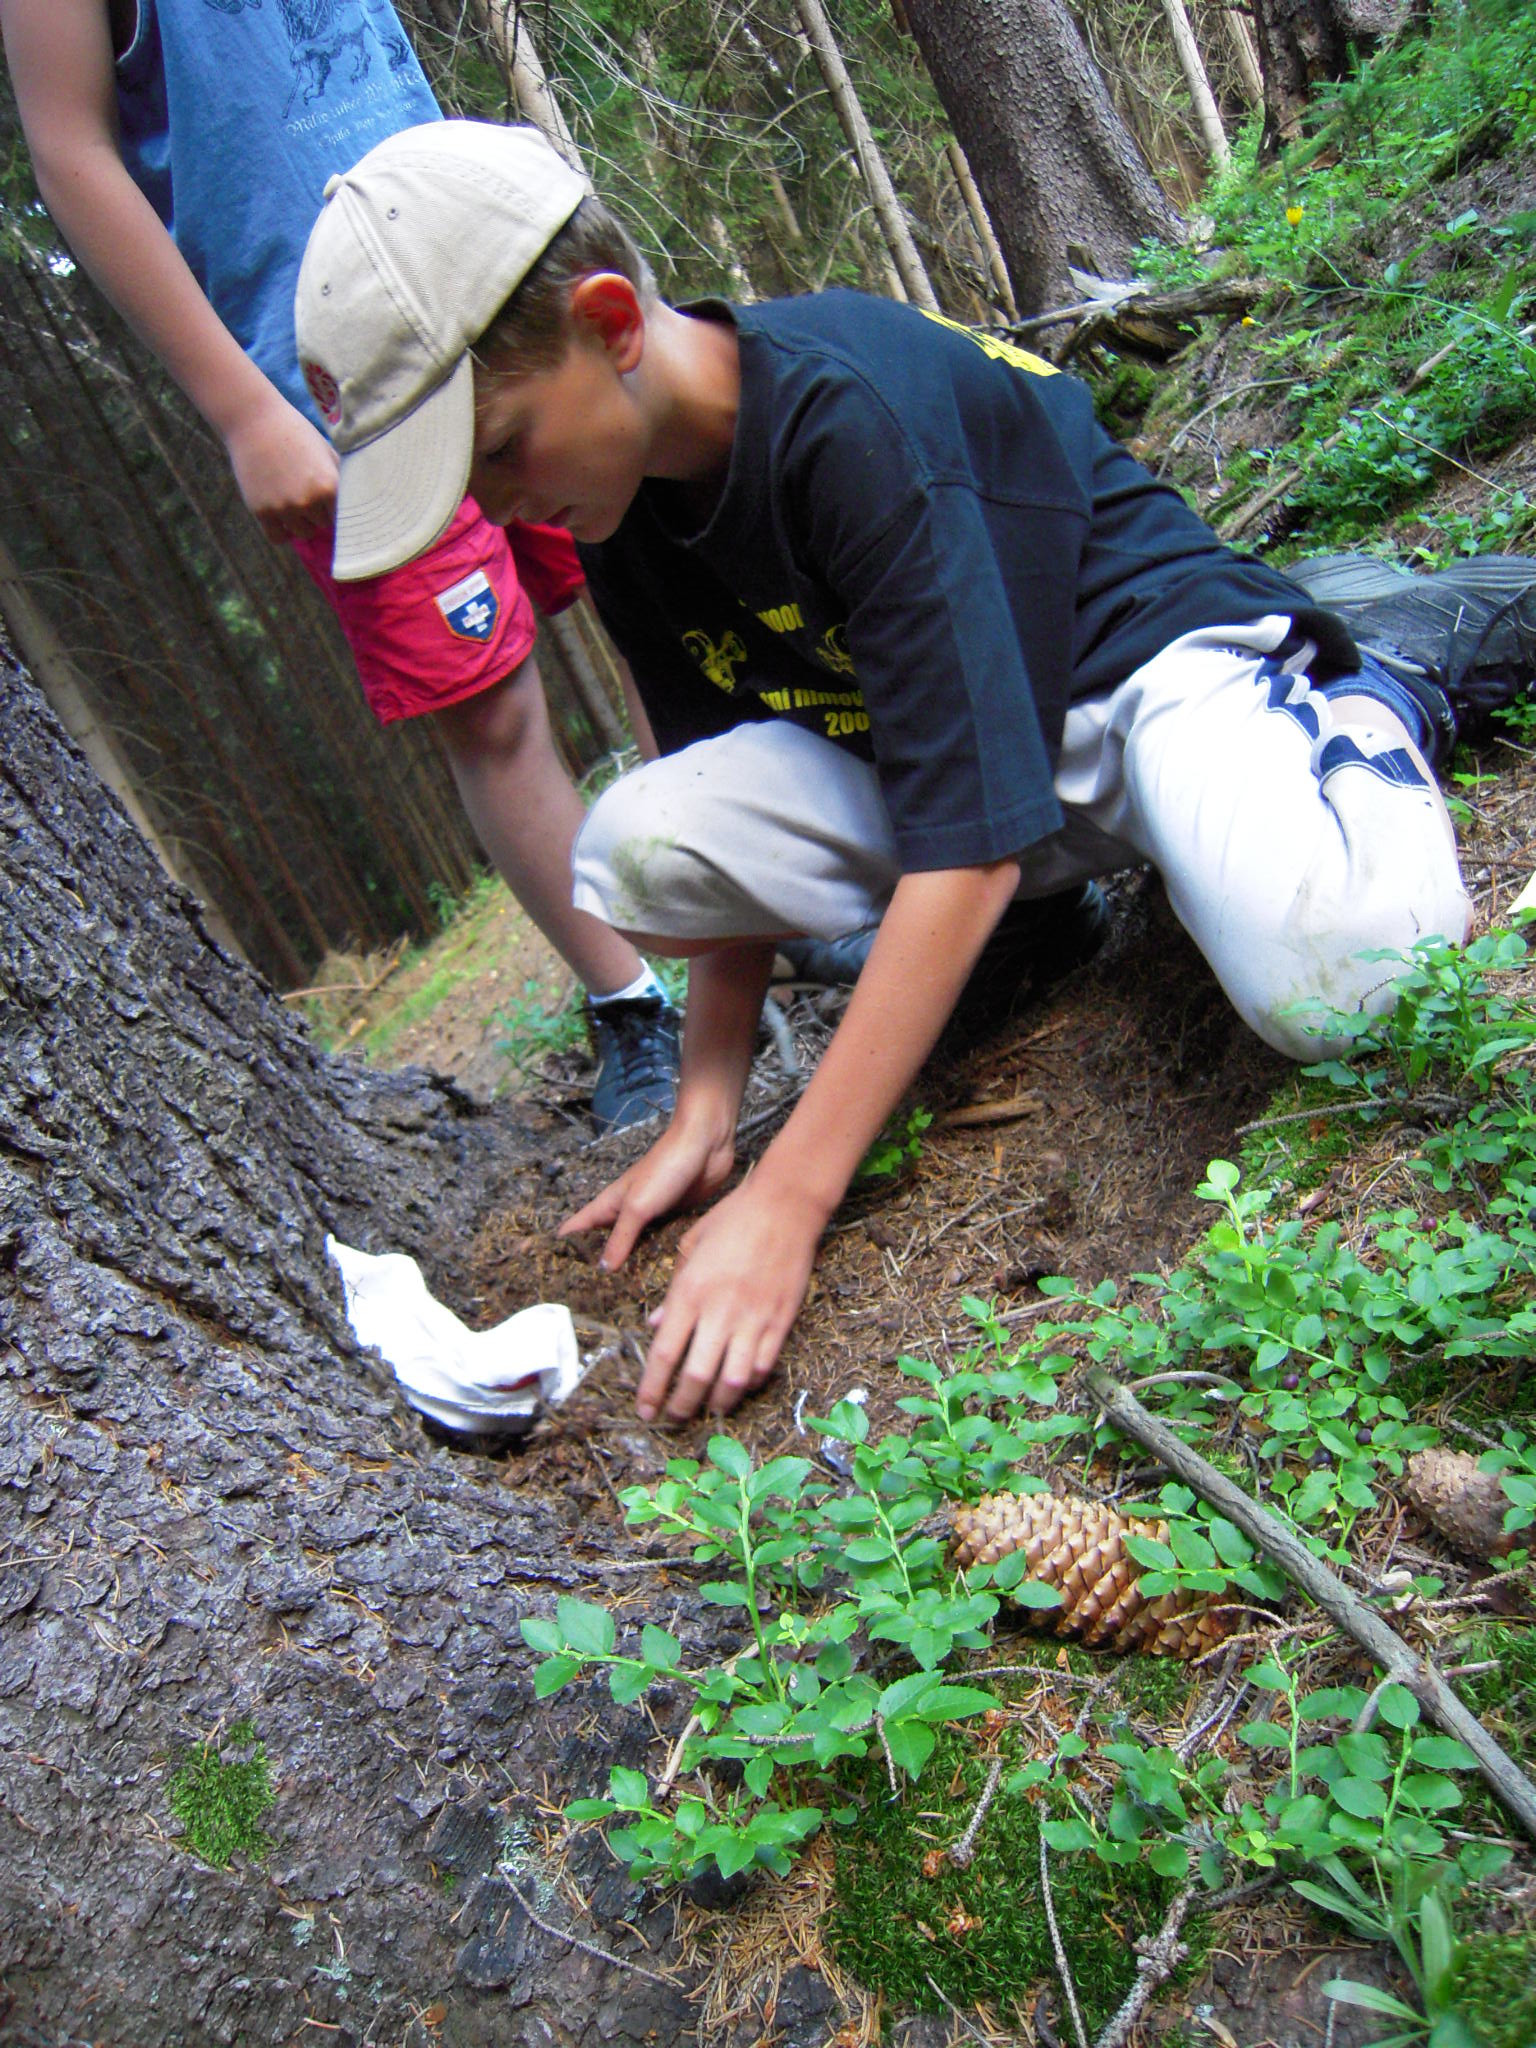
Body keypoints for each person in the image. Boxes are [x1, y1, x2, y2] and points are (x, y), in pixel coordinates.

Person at [292, 121, 1531, 1428]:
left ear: (609, 327)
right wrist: (709, 1102)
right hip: (969, 769)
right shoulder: (619, 500)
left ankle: (1390, 667)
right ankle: (1045, 925)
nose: (496, 508)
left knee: (1349, 981)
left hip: (1146, 685)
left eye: (497, 449)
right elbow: (718, 783)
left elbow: (966, 848)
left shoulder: (845, 414)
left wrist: (789, 1198)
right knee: (644, 845)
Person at [0, 0, 680, 1132]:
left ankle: (742, 903)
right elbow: (70, 153)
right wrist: (242, 410)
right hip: (334, 380)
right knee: (489, 711)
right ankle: (631, 999)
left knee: (647, 585)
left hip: (491, 275)